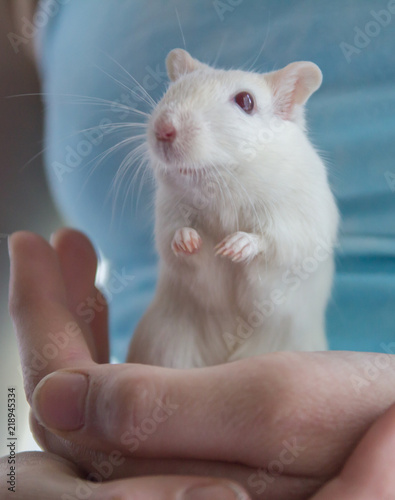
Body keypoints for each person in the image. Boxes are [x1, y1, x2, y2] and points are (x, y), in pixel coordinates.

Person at [4, 0, 395, 498]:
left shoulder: (299, 176)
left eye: (244, 104)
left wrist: (261, 243)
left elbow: (303, 247)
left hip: (330, 396)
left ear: (288, 105)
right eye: (176, 92)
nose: (169, 127)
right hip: (150, 401)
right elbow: (178, 261)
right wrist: (92, 438)